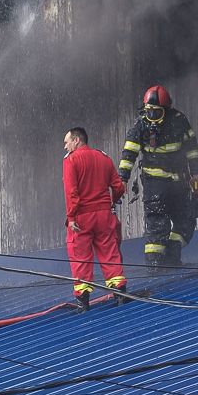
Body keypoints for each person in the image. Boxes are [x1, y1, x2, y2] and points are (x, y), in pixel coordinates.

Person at [116, 85, 198, 269]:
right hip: (155, 187)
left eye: (157, 112)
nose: (152, 116)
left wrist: (196, 173)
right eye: (149, 111)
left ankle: (172, 256)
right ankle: (154, 268)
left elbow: (192, 149)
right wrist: (122, 179)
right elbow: (129, 153)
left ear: (167, 109)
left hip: (179, 184)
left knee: (186, 220)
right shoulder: (140, 125)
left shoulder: (179, 121)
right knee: (157, 229)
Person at [63, 127, 128, 312]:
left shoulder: (71, 160)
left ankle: (83, 303)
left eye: (67, 142)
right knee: (110, 253)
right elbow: (119, 187)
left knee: (80, 257)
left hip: (81, 218)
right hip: (104, 216)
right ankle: (120, 294)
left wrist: (71, 216)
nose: (65, 147)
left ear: (76, 140)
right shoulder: (103, 157)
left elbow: (71, 191)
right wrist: (111, 202)